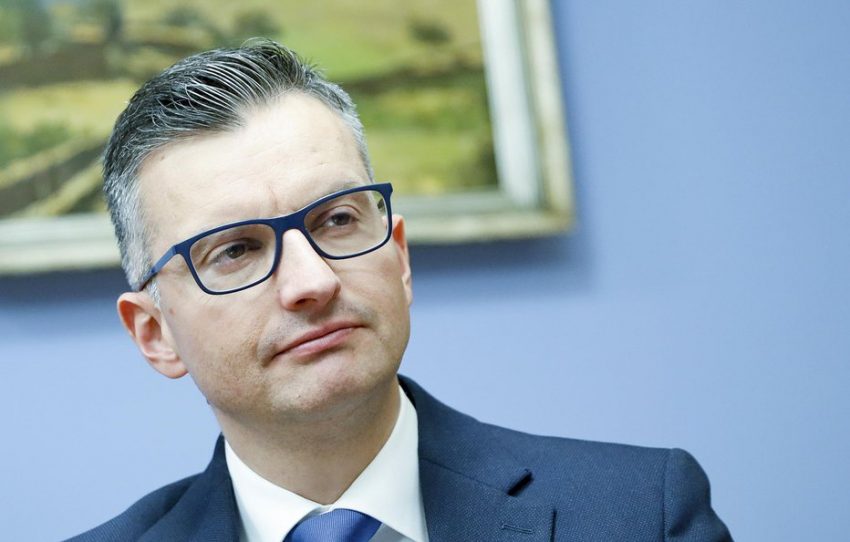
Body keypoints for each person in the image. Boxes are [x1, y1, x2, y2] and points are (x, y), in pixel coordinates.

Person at [67, 40, 732, 542]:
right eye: (236, 250)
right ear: (154, 334)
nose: (313, 281)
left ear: (400, 256)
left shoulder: (642, 514)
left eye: (337, 220)